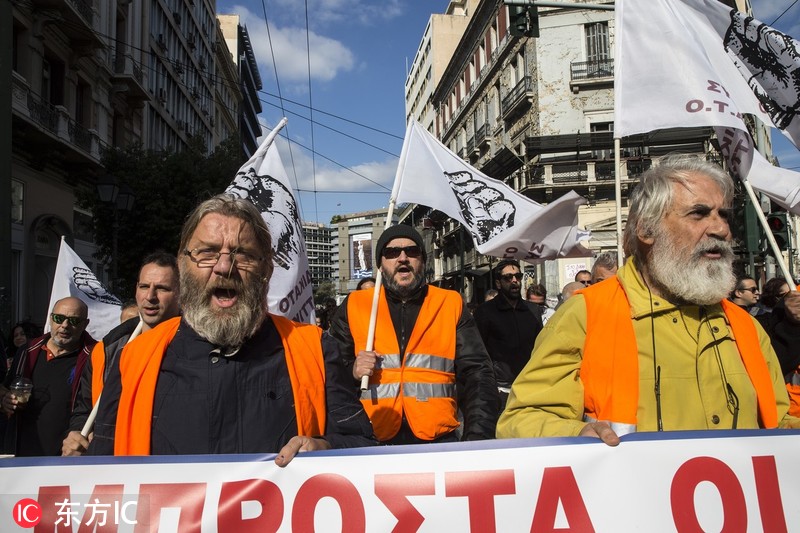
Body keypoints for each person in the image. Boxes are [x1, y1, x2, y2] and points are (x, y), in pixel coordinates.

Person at [497, 155, 799, 444]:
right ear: (646, 229)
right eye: (699, 213)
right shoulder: (587, 314)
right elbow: (522, 420)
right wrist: (576, 435)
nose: (721, 229)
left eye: (724, 215)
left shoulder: (744, 326)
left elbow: (778, 420)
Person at [86, 194, 374, 464]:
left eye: (243, 254)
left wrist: (325, 449)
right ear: (183, 264)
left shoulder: (316, 351)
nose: (224, 266)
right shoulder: (133, 359)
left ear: (267, 269)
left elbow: (363, 447)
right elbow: (102, 470)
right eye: (207, 252)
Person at [330, 224, 499, 444]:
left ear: (423, 261)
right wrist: (352, 371)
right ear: (380, 265)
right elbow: (329, 376)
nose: (403, 258)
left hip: (437, 439)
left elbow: (478, 374)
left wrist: (477, 438)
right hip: (370, 439)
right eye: (392, 252)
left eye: (411, 251)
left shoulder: (450, 303)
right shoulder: (355, 304)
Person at [62, 252, 182, 456]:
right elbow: (85, 409)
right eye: (144, 286)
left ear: (181, 293)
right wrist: (77, 434)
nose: (150, 296)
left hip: (163, 465)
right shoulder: (108, 348)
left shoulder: (193, 345)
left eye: (162, 288)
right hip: (108, 464)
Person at [1, 298, 96, 456]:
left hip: (66, 457)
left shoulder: (95, 356)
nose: (64, 325)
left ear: (85, 324)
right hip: (21, 454)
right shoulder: (27, 351)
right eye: (59, 318)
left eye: (73, 320)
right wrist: (5, 400)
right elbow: (6, 389)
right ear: (51, 319)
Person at [474, 260, 543, 405]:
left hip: (529, 386)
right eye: (508, 277)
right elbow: (478, 352)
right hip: (499, 388)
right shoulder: (485, 312)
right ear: (498, 283)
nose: (514, 280)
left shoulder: (533, 310)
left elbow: (540, 347)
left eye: (518, 276)